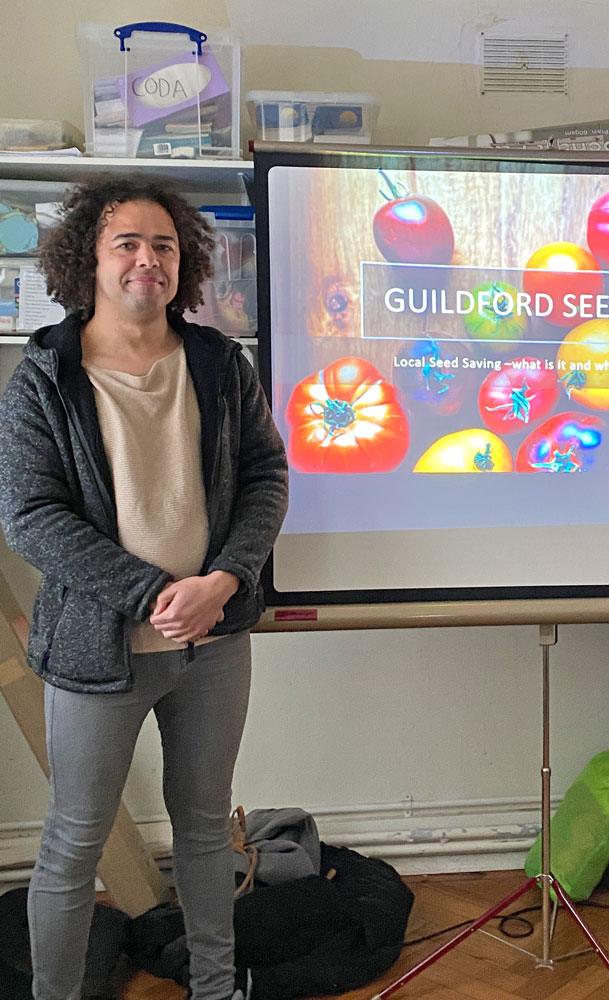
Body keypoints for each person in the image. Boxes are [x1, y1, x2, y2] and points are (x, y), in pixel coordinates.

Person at [0, 174, 289, 1000]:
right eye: (126, 242)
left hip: (215, 645)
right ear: (87, 259)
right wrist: (155, 592)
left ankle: (214, 986)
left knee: (205, 830)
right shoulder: (45, 377)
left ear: (183, 261)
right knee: (72, 843)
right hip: (99, 653)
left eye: (163, 244)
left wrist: (225, 580)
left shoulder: (217, 361)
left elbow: (266, 474)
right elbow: (29, 516)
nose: (146, 259)